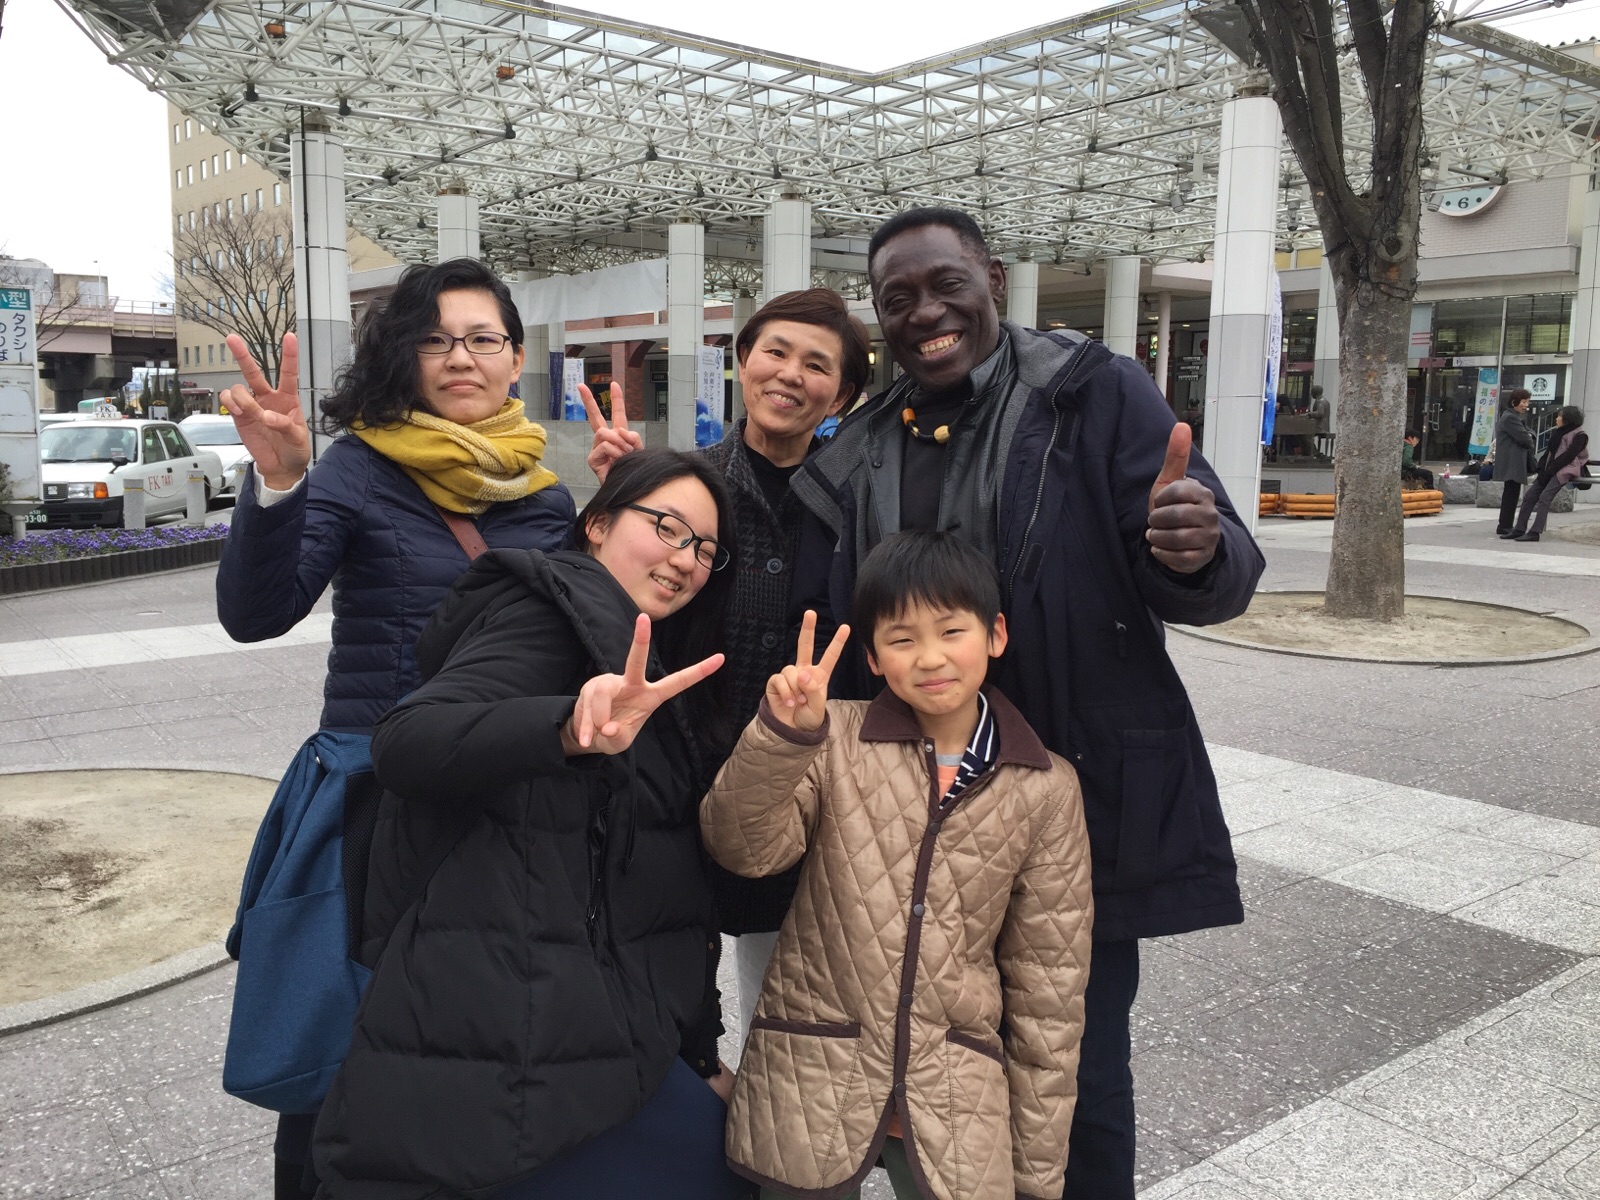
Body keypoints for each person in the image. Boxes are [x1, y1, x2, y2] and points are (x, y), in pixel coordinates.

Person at [789, 207, 1264, 1199]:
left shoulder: (1090, 394)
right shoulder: (863, 446)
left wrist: (1197, 549)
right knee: (939, 1075)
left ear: (994, 281)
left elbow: (1204, 567)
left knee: (1075, 1076)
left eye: (945, 285)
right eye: (897, 299)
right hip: (917, 822)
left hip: (1069, 805)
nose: (925, 313)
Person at [213, 258, 576, 1199]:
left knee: (475, 1037)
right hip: (379, 803)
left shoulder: (545, 495)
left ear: (515, 357)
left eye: (482, 338)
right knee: (347, 1042)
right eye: (435, 339)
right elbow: (257, 614)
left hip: (501, 803)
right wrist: (280, 482)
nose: (460, 357)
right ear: (404, 356)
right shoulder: (359, 468)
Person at [311, 449, 749, 1200]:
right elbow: (408, 742)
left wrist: (698, 1051)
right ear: (597, 524)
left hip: (586, 1026)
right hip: (509, 1025)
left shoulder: (639, 651)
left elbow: (663, 891)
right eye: (668, 528)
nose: (686, 559)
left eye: (706, 549)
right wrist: (565, 728)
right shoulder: (552, 611)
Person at [702, 532, 1093, 1200]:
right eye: (903, 639)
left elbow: (1049, 989)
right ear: (874, 657)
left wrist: (1035, 1171)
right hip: (812, 1075)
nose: (931, 657)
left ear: (996, 634)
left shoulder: (1046, 787)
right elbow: (743, 847)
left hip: (954, 1092)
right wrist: (783, 735)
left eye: (952, 631)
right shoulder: (834, 738)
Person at [584, 288, 872, 1041]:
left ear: (843, 394)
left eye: (818, 365)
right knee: (657, 987)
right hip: (674, 773)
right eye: (775, 351)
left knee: (782, 1010)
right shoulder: (685, 484)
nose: (790, 374)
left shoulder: (861, 500)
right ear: (743, 361)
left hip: (803, 789)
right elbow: (602, 597)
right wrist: (617, 500)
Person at [1506, 405, 1588, 543]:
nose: (1557, 418)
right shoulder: (1558, 432)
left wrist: (1550, 470)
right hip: (1548, 470)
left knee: (1545, 497)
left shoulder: (1580, 435)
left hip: (1564, 470)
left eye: (1560, 416)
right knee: (1529, 496)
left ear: (1568, 418)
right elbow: (1548, 452)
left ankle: (1535, 532)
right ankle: (1519, 529)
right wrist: (1541, 468)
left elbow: (1569, 456)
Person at [1492, 389, 1535, 537]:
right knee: (1511, 494)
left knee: (1511, 493)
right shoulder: (1511, 418)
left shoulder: (1512, 416)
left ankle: (1505, 525)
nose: (1526, 405)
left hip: (1512, 461)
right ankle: (1505, 526)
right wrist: (1529, 436)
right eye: (1523, 401)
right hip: (1512, 462)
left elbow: (1529, 434)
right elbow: (1526, 439)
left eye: (1528, 402)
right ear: (1513, 402)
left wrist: (1529, 435)